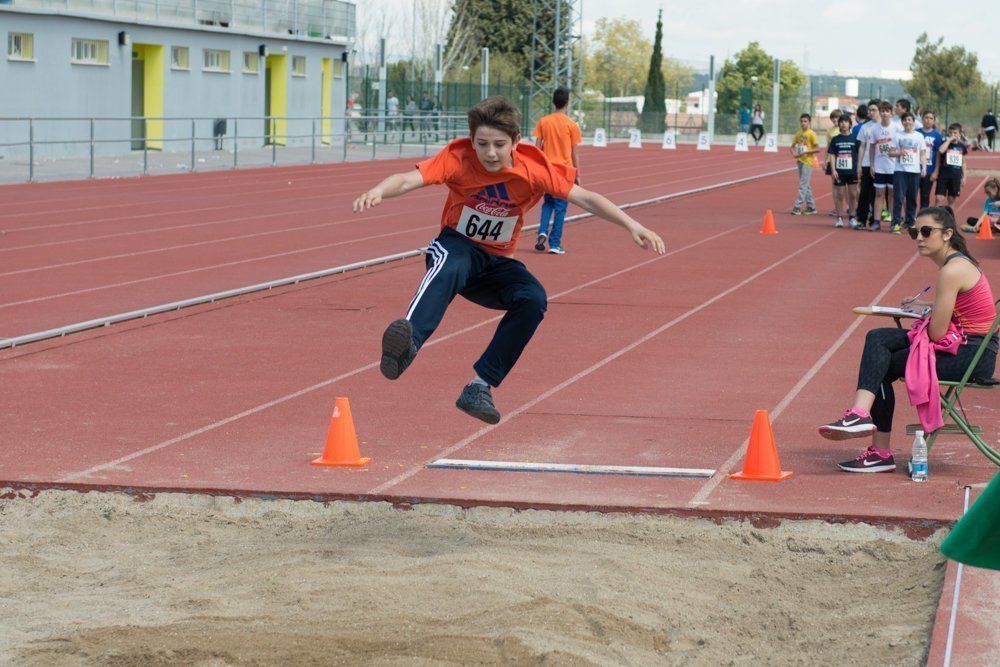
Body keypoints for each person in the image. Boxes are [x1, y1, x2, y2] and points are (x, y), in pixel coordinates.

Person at [351, 96, 665, 424]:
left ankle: (479, 386)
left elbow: (585, 197)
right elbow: (407, 179)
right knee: (452, 262)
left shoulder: (535, 168)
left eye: (499, 145)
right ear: (471, 140)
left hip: (498, 262)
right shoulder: (458, 157)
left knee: (533, 299)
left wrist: (632, 224)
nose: (489, 153)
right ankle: (406, 345)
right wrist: (379, 190)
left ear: (516, 141)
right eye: (482, 144)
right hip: (456, 246)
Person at [818, 206, 997, 472]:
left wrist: (926, 316)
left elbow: (937, 333)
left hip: (971, 355)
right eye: (915, 232)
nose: (919, 238)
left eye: (926, 231)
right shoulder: (957, 264)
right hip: (969, 346)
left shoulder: (952, 271)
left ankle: (871, 437)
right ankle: (862, 420)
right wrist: (926, 307)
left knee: (881, 358)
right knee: (878, 339)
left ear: (948, 234)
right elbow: (953, 314)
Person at [533, 87, 582, 255]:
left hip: (547, 170)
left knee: (548, 203)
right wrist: (577, 174)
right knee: (560, 208)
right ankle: (555, 243)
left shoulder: (544, 121)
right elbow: (574, 152)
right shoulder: (571, 125)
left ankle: (542, 231)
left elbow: (537, 147)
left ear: (553, 102)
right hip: (564, 171)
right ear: (567, 103)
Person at [888, 112, 928, 233]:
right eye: (905, 120)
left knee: (912, 198)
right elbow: (890, 152)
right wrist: (899, 153)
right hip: (900, 171)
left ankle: (910, 222)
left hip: (914, 171)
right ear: (902, 122)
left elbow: (922, 153)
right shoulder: (897, 135)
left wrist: (924, 167)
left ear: (913, 122)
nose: (907, 122)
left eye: (909, 120)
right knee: (899, 198)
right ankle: (896, 223)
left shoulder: (919, 136)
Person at [826, 114, 860, 228]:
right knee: (840, 194)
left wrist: (859, 167)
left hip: (852, 171)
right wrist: (833, 169)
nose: (843, 124)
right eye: (841, 122)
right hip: (839, 172)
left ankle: (852, 217)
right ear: (839, 125)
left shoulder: (855, 138)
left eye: (846, 122)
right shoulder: (835, 139)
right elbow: (831, 154)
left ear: (850, 124)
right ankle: (839, 218)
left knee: (853, 194)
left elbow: (859, 153)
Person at [869, 101, 897, 230]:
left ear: (891, 113)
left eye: (887, 111)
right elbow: (872, 148)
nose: (884, 113)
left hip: (893, 168)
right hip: (880, 167)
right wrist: (872, 165)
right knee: (879, 194)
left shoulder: (897, 128)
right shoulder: (875, 129)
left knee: (892, 195)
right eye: (882, 111)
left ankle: (893, 221)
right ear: (880, 113)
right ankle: (876, 221)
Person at [855, 100, 881, 230]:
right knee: (864, 192)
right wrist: (859, 165)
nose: (870, 112)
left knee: (878, 194)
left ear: (880, 111)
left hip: (882, 165)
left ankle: (875, 220)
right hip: (866, 164)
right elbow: (862, 147)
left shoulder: (887, 126)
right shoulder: (865, 127)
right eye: (869, 110)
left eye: (874, 110)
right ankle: (861, 219)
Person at [790, 113, 820, 215]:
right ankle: (811, 207)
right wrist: (794, 154)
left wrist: (806, 152)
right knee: (806, 184)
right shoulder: (798, 134)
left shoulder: (811, 134)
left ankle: (797, 207)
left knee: (803, 185)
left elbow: (817, 149)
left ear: (809, 122)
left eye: (805, 121)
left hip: (808, 162)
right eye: (801, 121)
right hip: (800, 161)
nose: (803, 123)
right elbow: (792, 146)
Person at [935, 123, 968, 207]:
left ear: (960, 134)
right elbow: (941, 151)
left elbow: (963, 162)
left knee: (951, 199)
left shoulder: (962, 146)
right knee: (939, 198)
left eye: (955, 133)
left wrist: (964, 177)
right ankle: (935, 217)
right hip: (943, 175)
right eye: (950, 133)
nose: (952, 135)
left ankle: (950, 218)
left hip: (955, 176)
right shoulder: (944, 143)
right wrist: (949, 140)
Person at [917, 110, 943, 210]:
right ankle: (910, 219)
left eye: (931, 118)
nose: (928, 120)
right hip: (916, 170)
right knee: (911, 196)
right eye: (926, 118)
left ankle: (922, 217)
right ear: (922, 119)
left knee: (925, 196)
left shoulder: (937, 136)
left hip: (929, 170)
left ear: (934, 121)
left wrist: (936, 171)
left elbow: (938, 155)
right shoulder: (917, 133)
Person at [824, 109, 844, 216]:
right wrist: (824, 160)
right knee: (835, 186)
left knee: (844, 186)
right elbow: (828, 146)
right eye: (833, 117)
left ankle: (847, 206)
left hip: (843, 160)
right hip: (832, 161)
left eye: (837, 117)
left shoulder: (844, 129)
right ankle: (836, 207)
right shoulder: (830, 131)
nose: (835, 119)